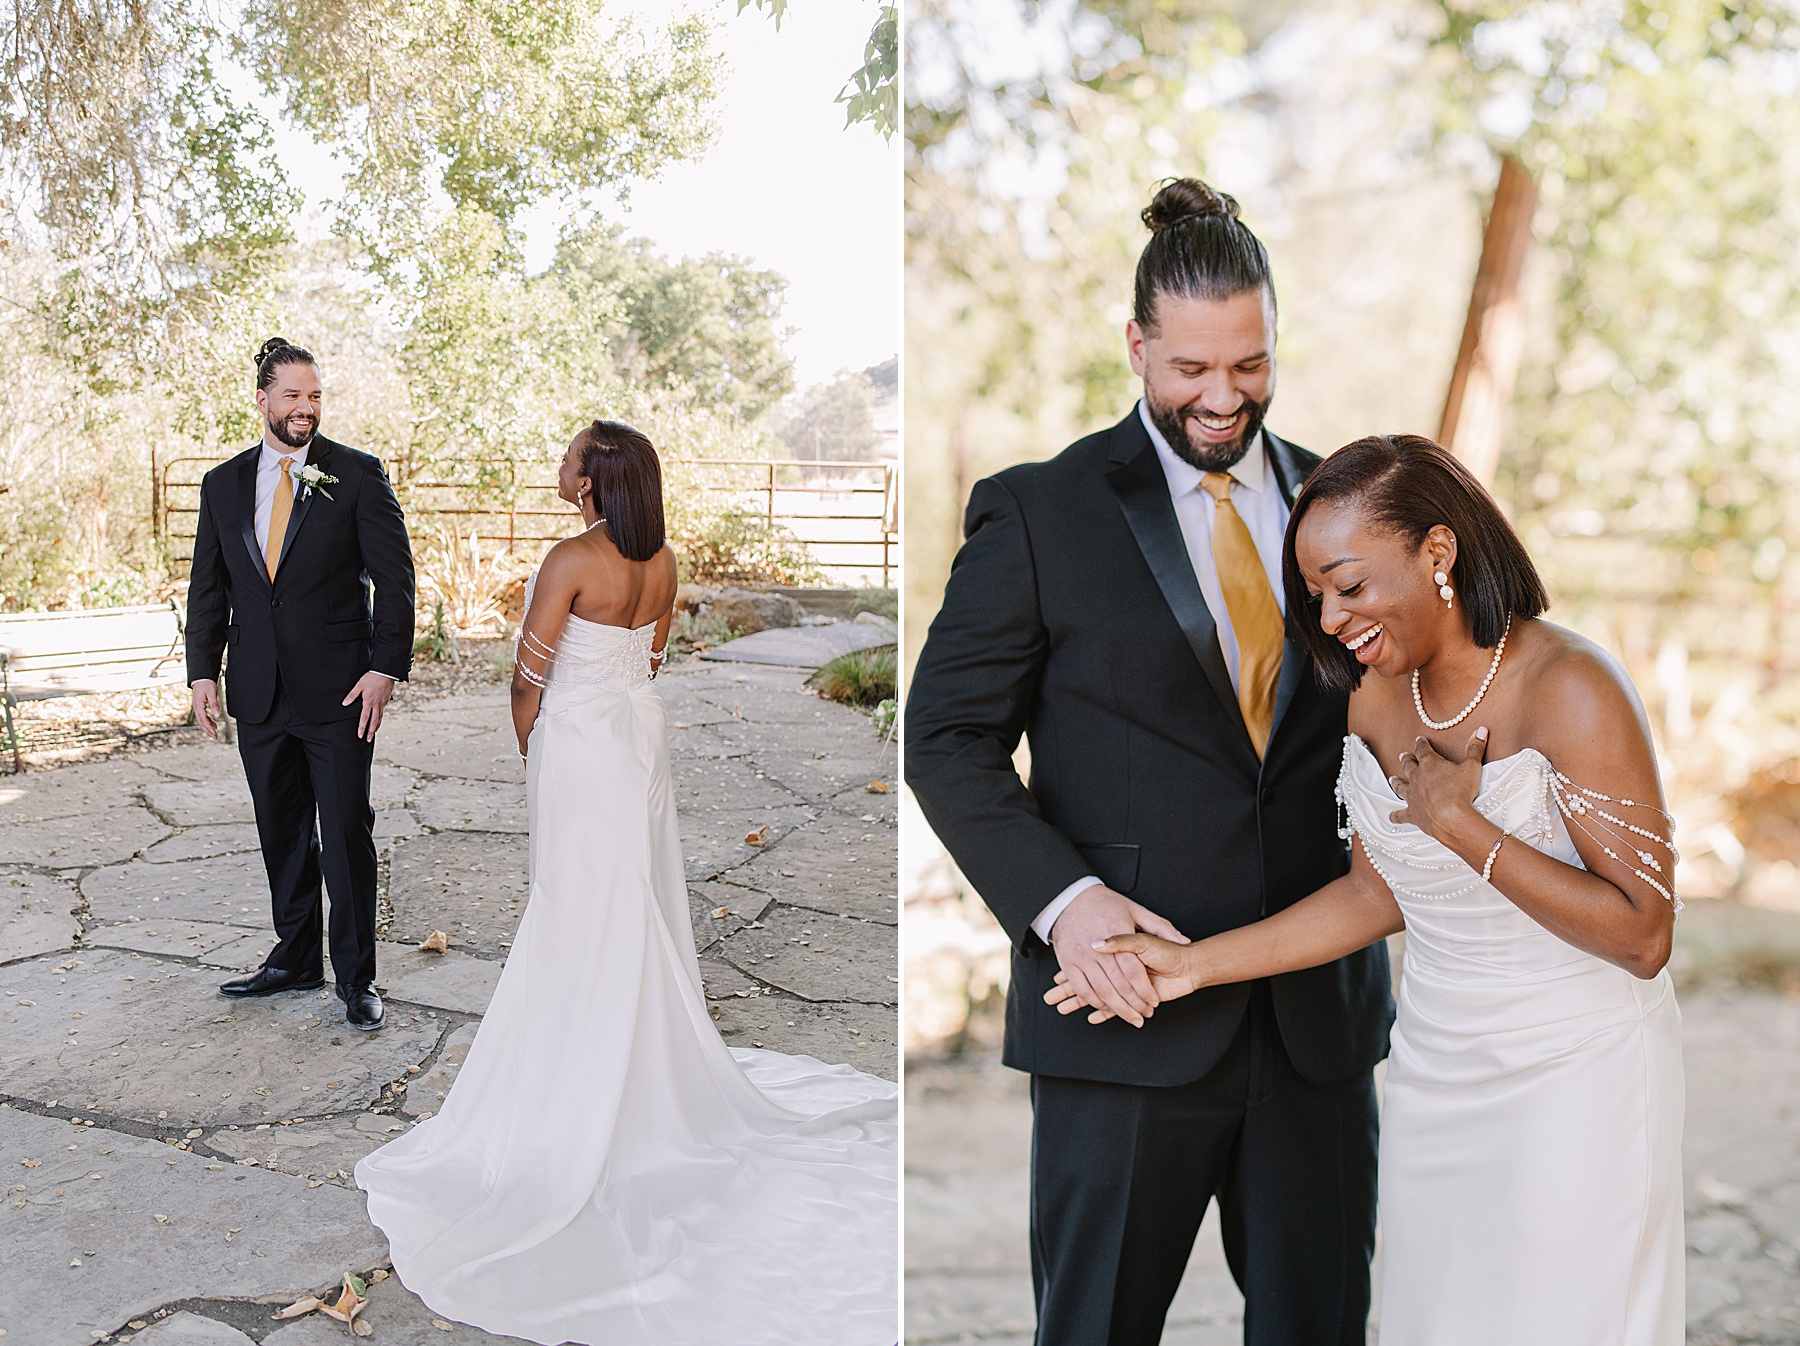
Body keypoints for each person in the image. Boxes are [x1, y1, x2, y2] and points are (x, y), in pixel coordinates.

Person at [1052, 434, 1685, 1344]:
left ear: (1437, 552)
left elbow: (1644, 936)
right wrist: (1191, 966)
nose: (1333, 616)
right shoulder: (1380, 697)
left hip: (1575, 1072)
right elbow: (1374, 894)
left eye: (1349, 585)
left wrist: (1461, 824)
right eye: (1313, 595)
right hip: (1437, 1069)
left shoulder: (1572, 686)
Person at [905, 179, 1393, 1346]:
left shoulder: (1345, 505)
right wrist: (1065, 908)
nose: (1222, 399)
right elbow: (946, 738)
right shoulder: (1038, 511)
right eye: (1190, 370)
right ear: (1136, 344)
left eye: (1250, 365)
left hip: (1315, 1023)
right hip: (1121, 1012)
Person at [355, 419, 898, 1346]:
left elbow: (529, 676)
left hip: (580, 739)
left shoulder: (572, 558)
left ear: (593, 480)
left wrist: (534, 742)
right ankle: (644, 1063)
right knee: (632, 897)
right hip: (640, 735)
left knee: (578, 903)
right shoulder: (665, 559)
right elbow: (647, 661)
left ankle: (581, 1075)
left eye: (568, 458)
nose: (558, 466)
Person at [186, 336, 414, 1031]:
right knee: (280, 828)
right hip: (257, 689)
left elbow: (395, 579)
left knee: (345, 830)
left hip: (341, 690)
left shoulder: (356, 473)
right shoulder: (223, 484)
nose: (305, 409)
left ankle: (357, 980)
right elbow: (209, 587)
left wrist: (385, 666)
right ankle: (294, 959)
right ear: (263, 400)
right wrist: (202, 671)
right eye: (292, 396)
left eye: (314, 397)